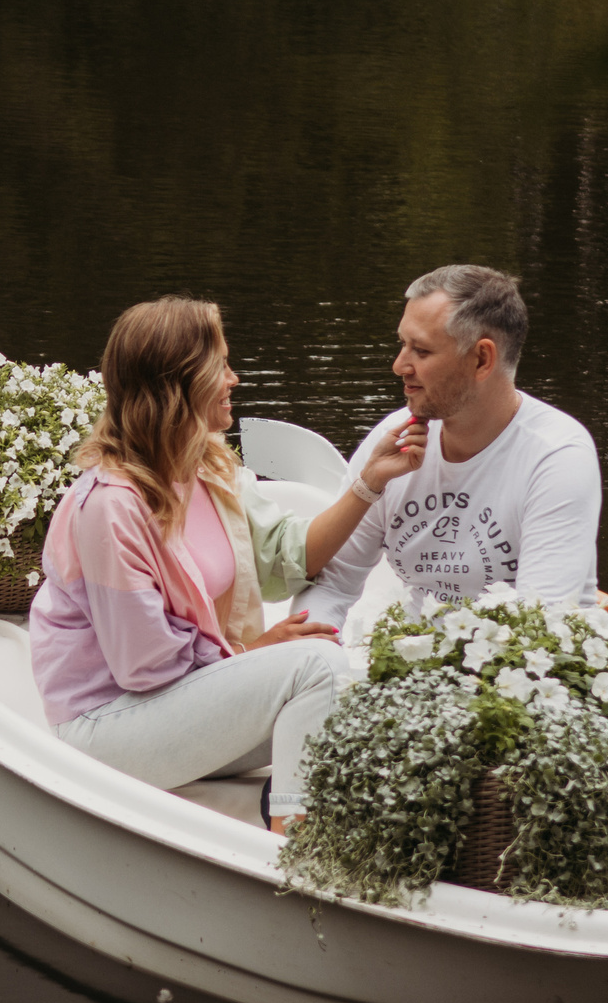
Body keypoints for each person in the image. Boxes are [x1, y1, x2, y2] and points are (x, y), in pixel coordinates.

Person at [30, 296, 424, 831]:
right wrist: (252, 653)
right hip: (107, 727)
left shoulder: (208, 467)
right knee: (316, 666)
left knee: (353, 686)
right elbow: (144, 668)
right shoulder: (109, 505)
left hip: (178, 702)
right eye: (220, 366)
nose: (234, 379)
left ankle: (337, 823)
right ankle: (296, 842)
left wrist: (370, 481)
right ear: (180, 384)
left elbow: (288, 558)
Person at [303, 263, 608, 632]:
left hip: (517, 676)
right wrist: (316, 653)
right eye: (402, 344)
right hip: (409, 671)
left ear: (482, 359)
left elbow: (541, 626)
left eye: (421, 351)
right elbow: (332, 584)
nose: (399, 366)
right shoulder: (392, 440)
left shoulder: (556, 455)